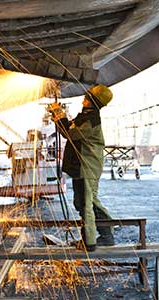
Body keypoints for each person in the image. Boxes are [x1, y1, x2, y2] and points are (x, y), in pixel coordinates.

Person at [49, 84, 114, 251]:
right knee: (83, 202)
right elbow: (69, 127)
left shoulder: (91, 120)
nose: (83, 99)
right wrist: (59, 117)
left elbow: (71, 134)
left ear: (93, 101)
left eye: (87, 97)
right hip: (81, 167)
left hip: (87, 167)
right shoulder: (85, 116)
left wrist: (58, 114)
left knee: (87, 204)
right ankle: (107, 235)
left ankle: (90, 242)